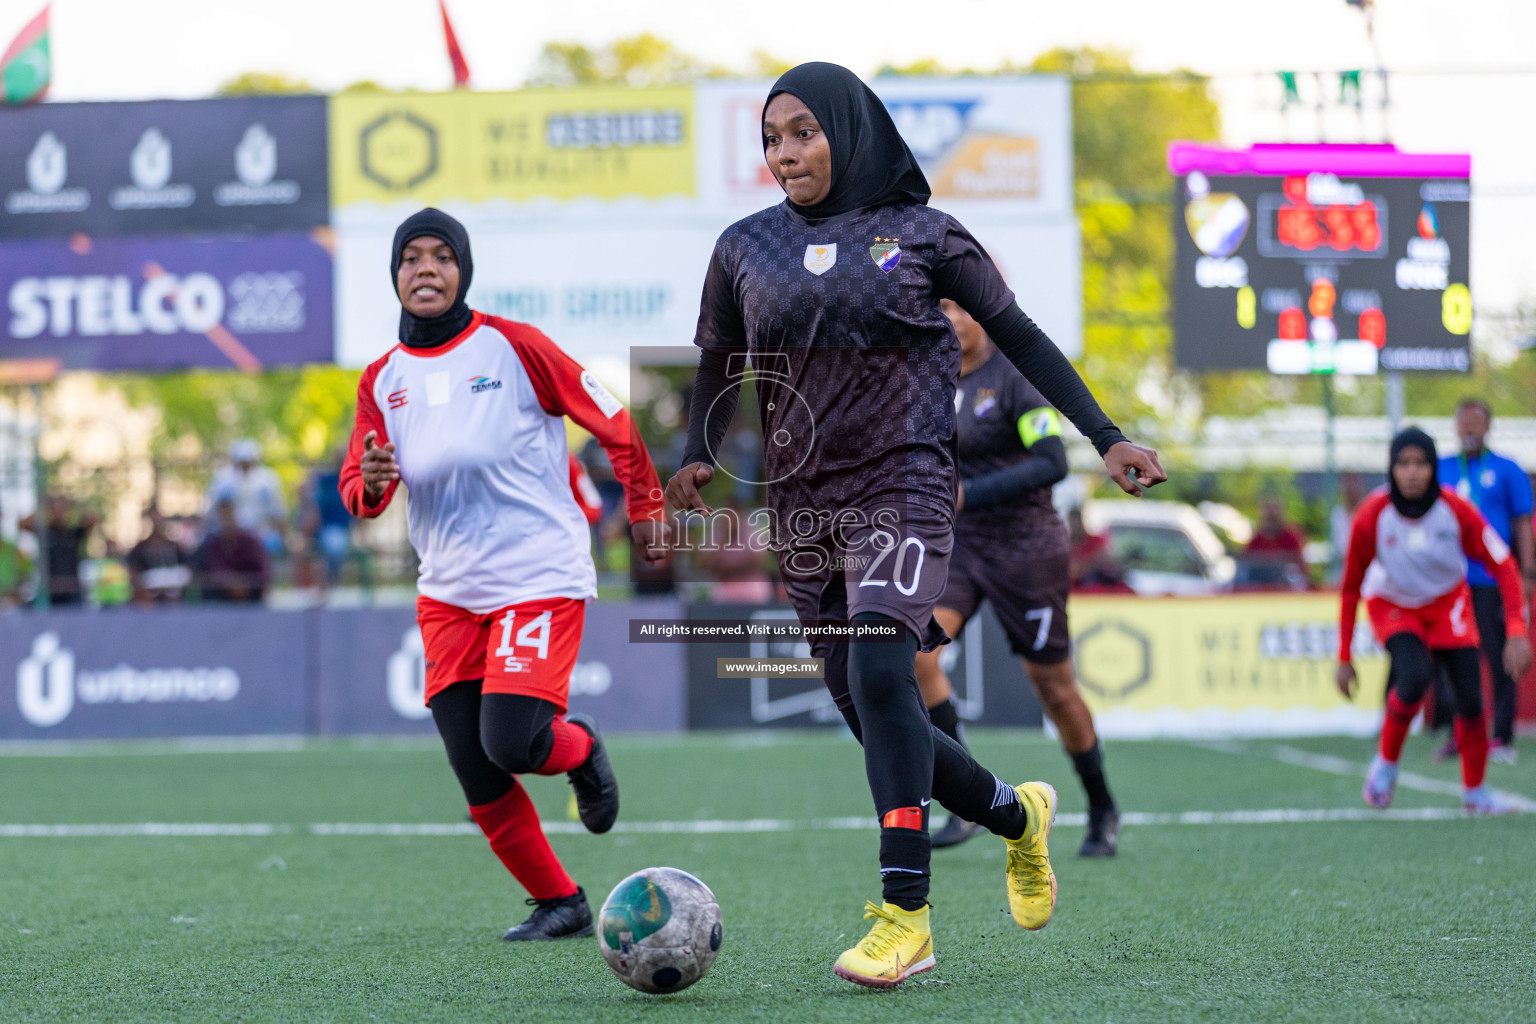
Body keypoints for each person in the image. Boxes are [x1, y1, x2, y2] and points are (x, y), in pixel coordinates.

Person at [665, 63, 1165, 988]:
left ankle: (907, 918)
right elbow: (717, 362)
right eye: (772, 137)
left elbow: (1019, 336)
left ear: (850, 131)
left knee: (884, 670)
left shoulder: (926, 235)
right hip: (802, 505)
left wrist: (1106, 434)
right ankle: (1019, 816)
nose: (785, 152)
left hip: (905, 485)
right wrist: (699, 448)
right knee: (874, 715)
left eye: (804, 131)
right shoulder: (743, 248)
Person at [340, 208, 669, 942]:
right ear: (394, 277)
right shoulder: (380, 380)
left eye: (441, 257)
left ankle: (580, 747)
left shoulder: (512, 346)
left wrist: (645, 507)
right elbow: (362, 494)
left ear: (463, 272)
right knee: (475, 765)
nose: (425, 269)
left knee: (515, 741)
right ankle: (562, 902)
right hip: (448, 593)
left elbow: (613, 418)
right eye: (411, 259)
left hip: (536, 575)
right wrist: (368, 477)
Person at [913, 299, 1121, 857]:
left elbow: (1052, 461)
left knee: (1052, 686)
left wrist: (969, 494)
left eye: (959, 306)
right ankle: (967, 805)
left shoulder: (1015, 379)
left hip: (1028, 550)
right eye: (939, 308)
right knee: (917, 656)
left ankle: (1103, 807)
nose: (950, 318)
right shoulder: (927, 376)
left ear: (981, 313)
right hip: (960, 547)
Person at [1335, 427, 1531, 815]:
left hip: (1448, 605)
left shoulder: (1456, 510)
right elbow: (1350, 588)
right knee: (1413, 678)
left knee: (1472, 700)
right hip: (1393, 603)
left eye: (1421, 463)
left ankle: (1475, 794)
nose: (1412, 472)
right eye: (1403, 463)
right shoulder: (1372, 516)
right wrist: (1344, 656)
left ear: (1432, 469)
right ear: (1391, 469)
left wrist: (1516, 631)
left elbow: (1505, 567)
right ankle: (1386, 766)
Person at [1429, 398, 1534, 764]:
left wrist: (1528, 571)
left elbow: (1522, 521)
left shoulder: (1507, 469)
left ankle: (1502, 737)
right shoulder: (1439, 468)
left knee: (1502, 655)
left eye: (1478, 421)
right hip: (1450, 583)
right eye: (1465, 421)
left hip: (1493, 580)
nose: (1471, 428)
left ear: (1489, 427)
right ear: (1456, 426)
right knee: (1455, 660)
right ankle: (1460, 736)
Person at [208, 438, 286, 555]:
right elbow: (214, 511)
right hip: (230, 536)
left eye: (248, 462)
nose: (245, 466)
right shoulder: (222, 480)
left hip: (262, 535)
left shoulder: (268, 480)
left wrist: (281, 536)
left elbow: (277, 512)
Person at [19, 494, 98, 607]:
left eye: (62, 509)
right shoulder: (45, 532)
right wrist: (42, 505)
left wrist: (75, 503)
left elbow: (92, 520)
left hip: (72, 590)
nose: (58, 513)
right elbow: (22, 524)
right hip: (49, 589)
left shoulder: (74, 533)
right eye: (54, 510)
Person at [193, 497, 269, 603]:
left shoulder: (251, 543)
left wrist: (243, 584)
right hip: (219, 602)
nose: (227, 520)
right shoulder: (211, 545)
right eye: (223, 517)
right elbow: (207, 573)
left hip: (251, 601)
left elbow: (262, 574)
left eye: (229, 515)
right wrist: (228, 583)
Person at [126, 505, 191, 604]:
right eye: (153, 519)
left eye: (158, 519)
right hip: (148, 603)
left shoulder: (174, 548)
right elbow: (133, 573)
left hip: (174, 602)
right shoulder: (140, 549)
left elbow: (186, 570)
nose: (156, 523)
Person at [1244, 495, 1309, 586]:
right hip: (1260, 585)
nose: (1271, 521)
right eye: (1268, 517)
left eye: (1274, 517)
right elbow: (1247, 563)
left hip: (1285, 585)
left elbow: (1301, 565)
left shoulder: (1291, 536)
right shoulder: (1256, 539)